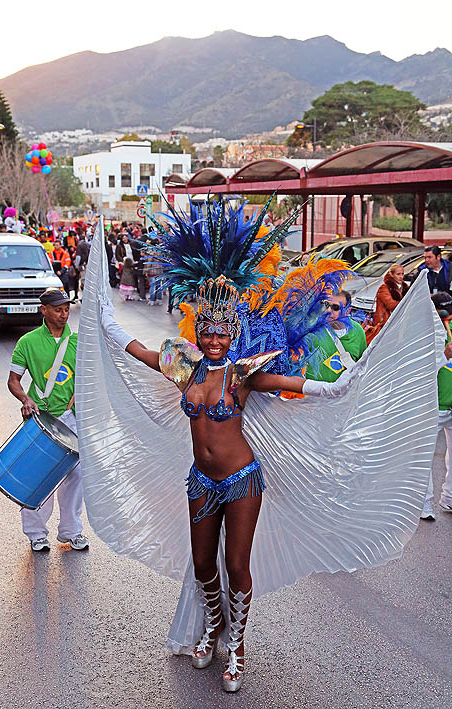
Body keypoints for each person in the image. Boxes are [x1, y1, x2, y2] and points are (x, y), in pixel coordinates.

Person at [78, 203, 439, 695]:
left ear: (232, 336)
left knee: (237, 566)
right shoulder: (183, 367)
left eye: (223, 333)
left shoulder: (243, 374)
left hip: (242, 479)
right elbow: (132, 347)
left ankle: (239, 648)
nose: (214, 340)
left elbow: (310, 386)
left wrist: (352, 376)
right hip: (201, 480)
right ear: (199, 334)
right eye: (208, 333)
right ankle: (211, 627)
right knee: (204, 564)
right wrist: (99, 311)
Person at [7, 288, 89, 552]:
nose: (64, 314)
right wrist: (25, 400)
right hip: (40, 418)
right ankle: (36, 533)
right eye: (57, 309)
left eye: (66, 309)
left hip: (70, 417)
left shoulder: (78, 341)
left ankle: (71, 530)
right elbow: (13, 381)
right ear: (43, 310)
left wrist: (81, 392)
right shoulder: (28, 342)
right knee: (38, 475)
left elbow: (88, 376)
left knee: (75, 475)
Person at [420, 291, 452, 521]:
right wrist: (444, 353)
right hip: (433, 403)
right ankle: (425, 504)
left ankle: (449, 498)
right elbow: (423, 366)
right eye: (444, 310)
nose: (447, 315)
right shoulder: (426, 332)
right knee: (424, 455)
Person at [305, 290, 367, 382]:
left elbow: (362, 364)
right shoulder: (312, 328)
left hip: (344, 393)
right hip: (314, 393)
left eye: (335, 307)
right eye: (326, 305)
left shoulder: (358, 331)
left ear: (348, 311)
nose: (329, 310)